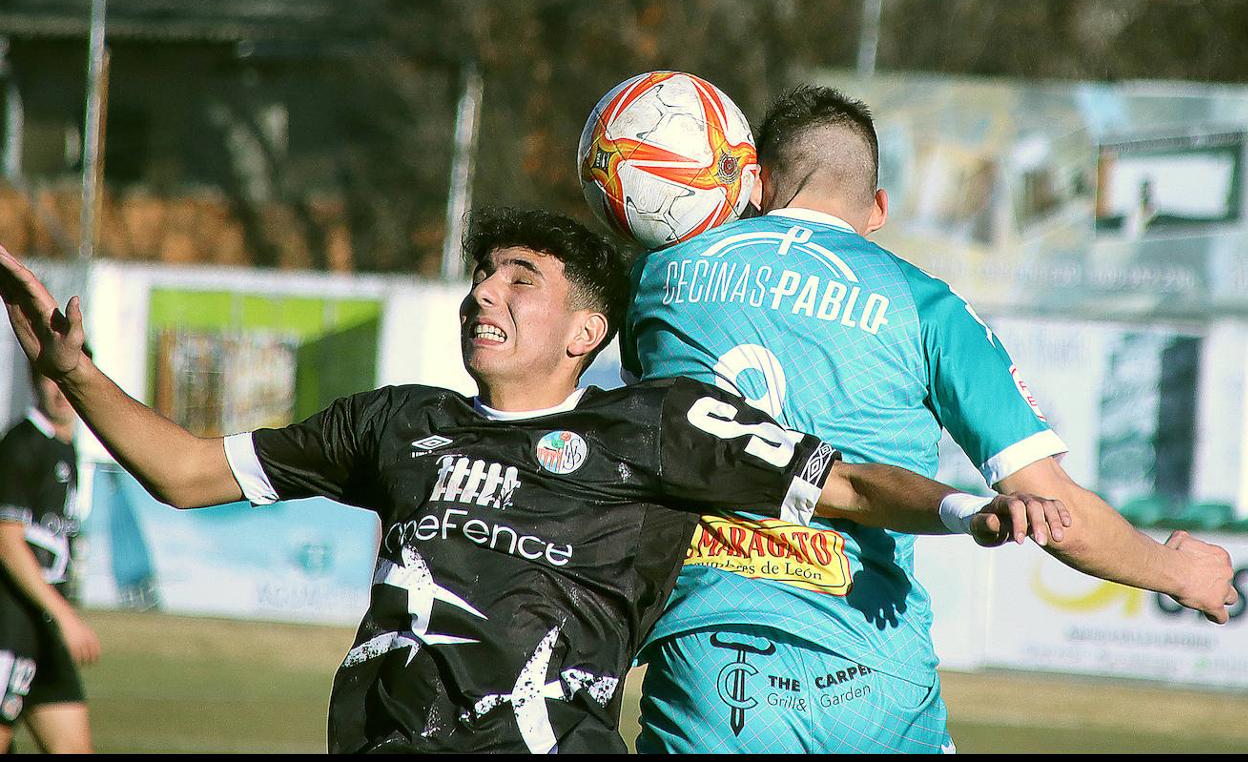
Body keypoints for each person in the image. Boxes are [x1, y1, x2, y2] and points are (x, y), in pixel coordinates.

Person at [0, 209, 1065, 753]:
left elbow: (843, 486)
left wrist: (974, 508)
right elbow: (186, 471)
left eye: (521, 280)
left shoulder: (653, 424)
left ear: (589, 330)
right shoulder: (398, 420)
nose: (484, 294)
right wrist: (74, 372)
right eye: (479, 275)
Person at [624, 85, 1238, 753]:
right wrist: (1178, 572)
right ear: (879, 209)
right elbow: (1052, 508)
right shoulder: (929, 307)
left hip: (717, 660)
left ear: (759, 182)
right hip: (877, 677)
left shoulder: (663, 276)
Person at [0, 360, 100, 754]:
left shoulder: (67, 447)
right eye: (51, 379)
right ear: (34, 382)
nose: (61, 391)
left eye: (69, 380)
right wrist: (66, 616)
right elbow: (8, 543)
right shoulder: (20, 445)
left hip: (47, 630)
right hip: (10, 625)